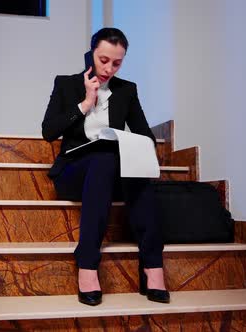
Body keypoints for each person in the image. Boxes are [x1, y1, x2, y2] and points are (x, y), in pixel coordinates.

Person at [41, 28, 170, 306]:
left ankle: (152, 265)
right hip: (74, 171)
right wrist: (86, 102)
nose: (108, 68)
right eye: (103, 60)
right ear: (91, 54)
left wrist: (134, 144)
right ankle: (87, 262)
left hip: (110, 174)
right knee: (102, 158)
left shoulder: (127, 90)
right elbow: (48, 131)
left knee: (132, 167)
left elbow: (145, 134)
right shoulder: (66, 84)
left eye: (117, 63)